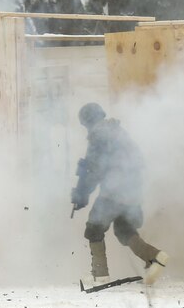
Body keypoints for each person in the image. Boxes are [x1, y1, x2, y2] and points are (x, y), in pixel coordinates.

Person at [72, 102, 168, 285]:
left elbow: (94, 170)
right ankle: (155, 257)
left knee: (94, 229)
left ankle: (100, 275)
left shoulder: (98, 135)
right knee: (124, 230)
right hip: (132, 190)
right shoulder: (119, 132)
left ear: (88, 121)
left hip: (113, 191)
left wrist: (82, 193)